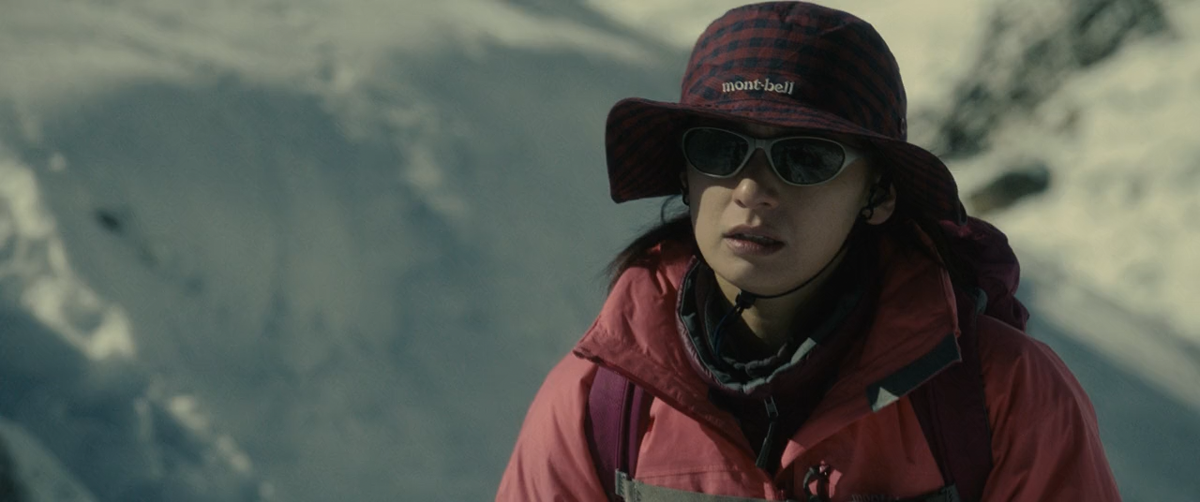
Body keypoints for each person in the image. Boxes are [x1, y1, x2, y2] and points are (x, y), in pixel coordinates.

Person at [497, 2, 1121, 501]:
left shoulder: (1005, 394)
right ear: (685, 175)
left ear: (878, 194)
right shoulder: (596, 404)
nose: (751, 190)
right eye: (719, 149)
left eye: (805, 157)